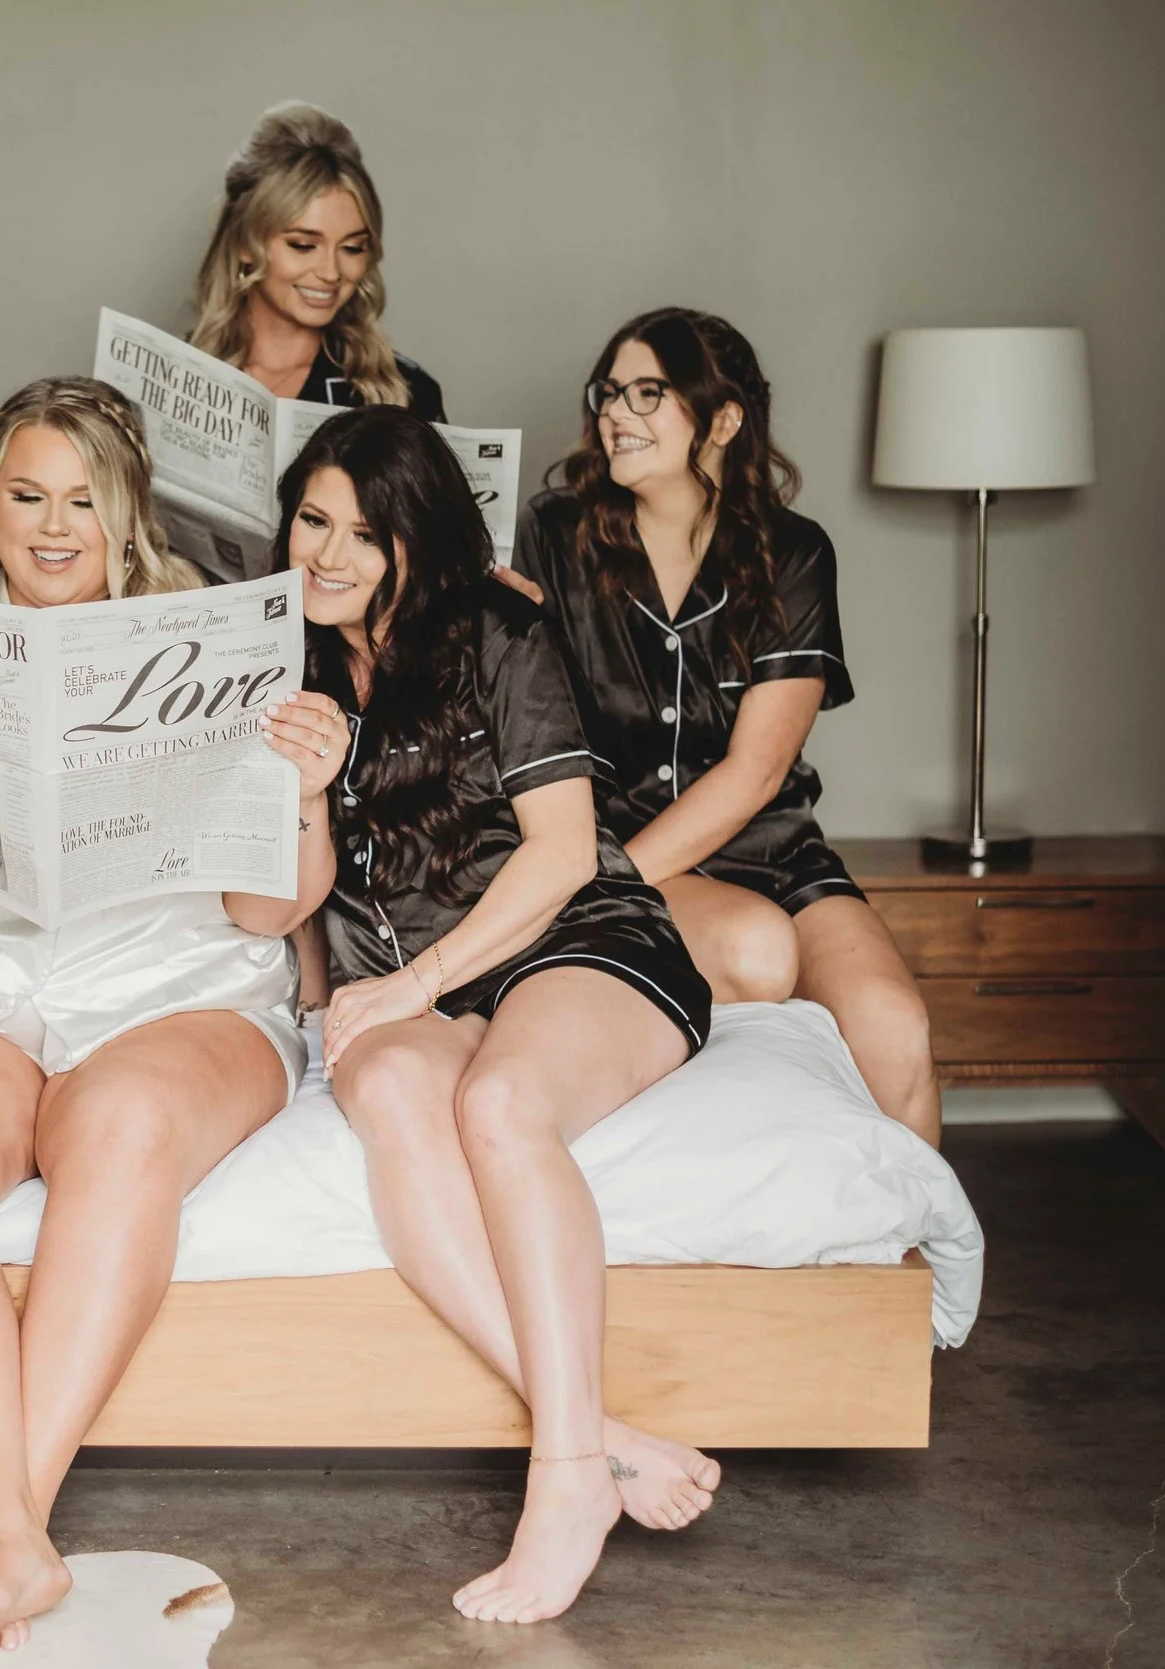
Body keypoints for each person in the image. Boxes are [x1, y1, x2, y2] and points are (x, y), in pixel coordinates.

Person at [0, 378, 348, 1652]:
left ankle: (3, 1526)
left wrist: (305, 793)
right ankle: (14, 1536)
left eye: (83, 503)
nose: (53, 527)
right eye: (28, 496)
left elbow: (264, 917)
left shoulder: (207, 645)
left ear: (126, 511)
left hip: (175, 983)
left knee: (124, 1129)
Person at [294, 403, 722, 1624]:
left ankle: (561, 1477)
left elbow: (560, 855)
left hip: (575, 932)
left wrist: (412, 988)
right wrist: (309, 794)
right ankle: (593, 1432)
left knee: (500, 1103)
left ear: (417, 541)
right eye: (312, 519)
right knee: (378, 1086)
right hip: (430, 972)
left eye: (364, 534)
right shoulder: (293, 657)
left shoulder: (498, 625)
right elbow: (300, 894)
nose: (327, 553)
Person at [515, 307, 941, 1145]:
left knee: (899, 1031)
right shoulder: (555, 533)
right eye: (610, 392)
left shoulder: (795, 554)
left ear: (723, 420)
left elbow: (755, 773)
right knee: (756, 951)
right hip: (616, 839)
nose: (615, 414)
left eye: (649, 393)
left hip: (769, 850)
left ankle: (916, 1271)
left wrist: (606, 885)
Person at [188, 102, 446, 421]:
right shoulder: (172, 376)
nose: (330, 273)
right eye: (304, 245)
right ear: (243, 242)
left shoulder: (408, 393)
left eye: (352, 248)